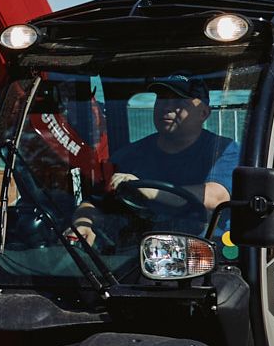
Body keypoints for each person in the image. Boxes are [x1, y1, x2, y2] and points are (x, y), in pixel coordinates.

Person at [69, 76, 234, 247]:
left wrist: (145, 188)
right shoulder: (128, 156)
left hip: (204, 252)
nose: (167, 107)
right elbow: (95, 202)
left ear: (204, 113)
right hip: (137, 252)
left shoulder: (223, 150)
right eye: (162, 99)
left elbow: (216, 196)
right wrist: (83, 224)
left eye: (179, 102)